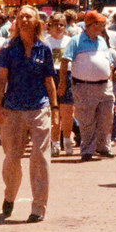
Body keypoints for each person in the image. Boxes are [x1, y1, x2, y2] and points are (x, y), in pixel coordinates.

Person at [0, 6, 59, 222]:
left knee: (40, 157)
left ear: (36, 22)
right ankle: (10, 195)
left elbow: (49, 81)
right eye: (20, 16)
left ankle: (38, 207)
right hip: (13, 109)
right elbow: (1, 79)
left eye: (28, 16)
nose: (23, 19)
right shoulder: (8, 48)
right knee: (12, 158)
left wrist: (55, 109)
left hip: (39, 107)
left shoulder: (45, 49)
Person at [60, 11, 116, 161]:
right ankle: (87, 150)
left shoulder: (101, 41)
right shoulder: (75, 41)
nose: (102, 26)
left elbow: (109, 61)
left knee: (106, 117)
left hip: (105, 85)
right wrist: (62, 82)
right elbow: (64, 61)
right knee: (87, 120)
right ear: (90, 25)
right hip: (84, 86)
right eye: (99, 23)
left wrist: (111, 74)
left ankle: (102, 147)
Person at [44, 13, 73, 156]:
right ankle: (54, 143)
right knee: (53, 112)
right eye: (56, 24)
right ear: (50, 25)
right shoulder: (45, 41)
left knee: (67, 113)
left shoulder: (70, 41)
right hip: (51, 76)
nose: (59, 27)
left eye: (62, 24)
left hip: (67, 76)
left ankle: (67, 141)